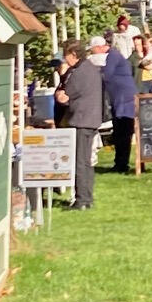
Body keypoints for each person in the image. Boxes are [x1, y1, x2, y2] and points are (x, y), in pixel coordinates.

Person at [54, 39, 103, 208]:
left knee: (80, 161)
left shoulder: (79, 72)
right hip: (90, 119)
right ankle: (87, 198)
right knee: (86, 161)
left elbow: (65, 96)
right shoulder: (90, 68)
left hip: (81, 120)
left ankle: (82, 200)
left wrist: (60, 89)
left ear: (73, 54)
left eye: (65, 54)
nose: (64, 59)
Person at [97, 33, 137, 173]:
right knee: (120, 132)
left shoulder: (113, 56)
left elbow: (106, 75)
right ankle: (119, 162)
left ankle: (122, 164)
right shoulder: (114, 56)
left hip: (124, 101)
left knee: (123, 133)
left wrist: (96, 70)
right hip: (119, 100)